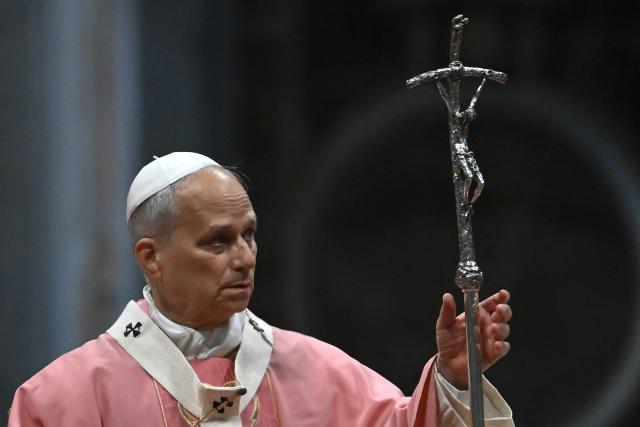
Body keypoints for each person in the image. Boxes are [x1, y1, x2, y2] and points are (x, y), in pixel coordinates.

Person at [8, 152, 514, 426]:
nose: (245, 257)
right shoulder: (62, 401)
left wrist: (453, 381)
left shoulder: (318, 373)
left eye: (249, 234)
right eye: (218, 241)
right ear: (151, 257)